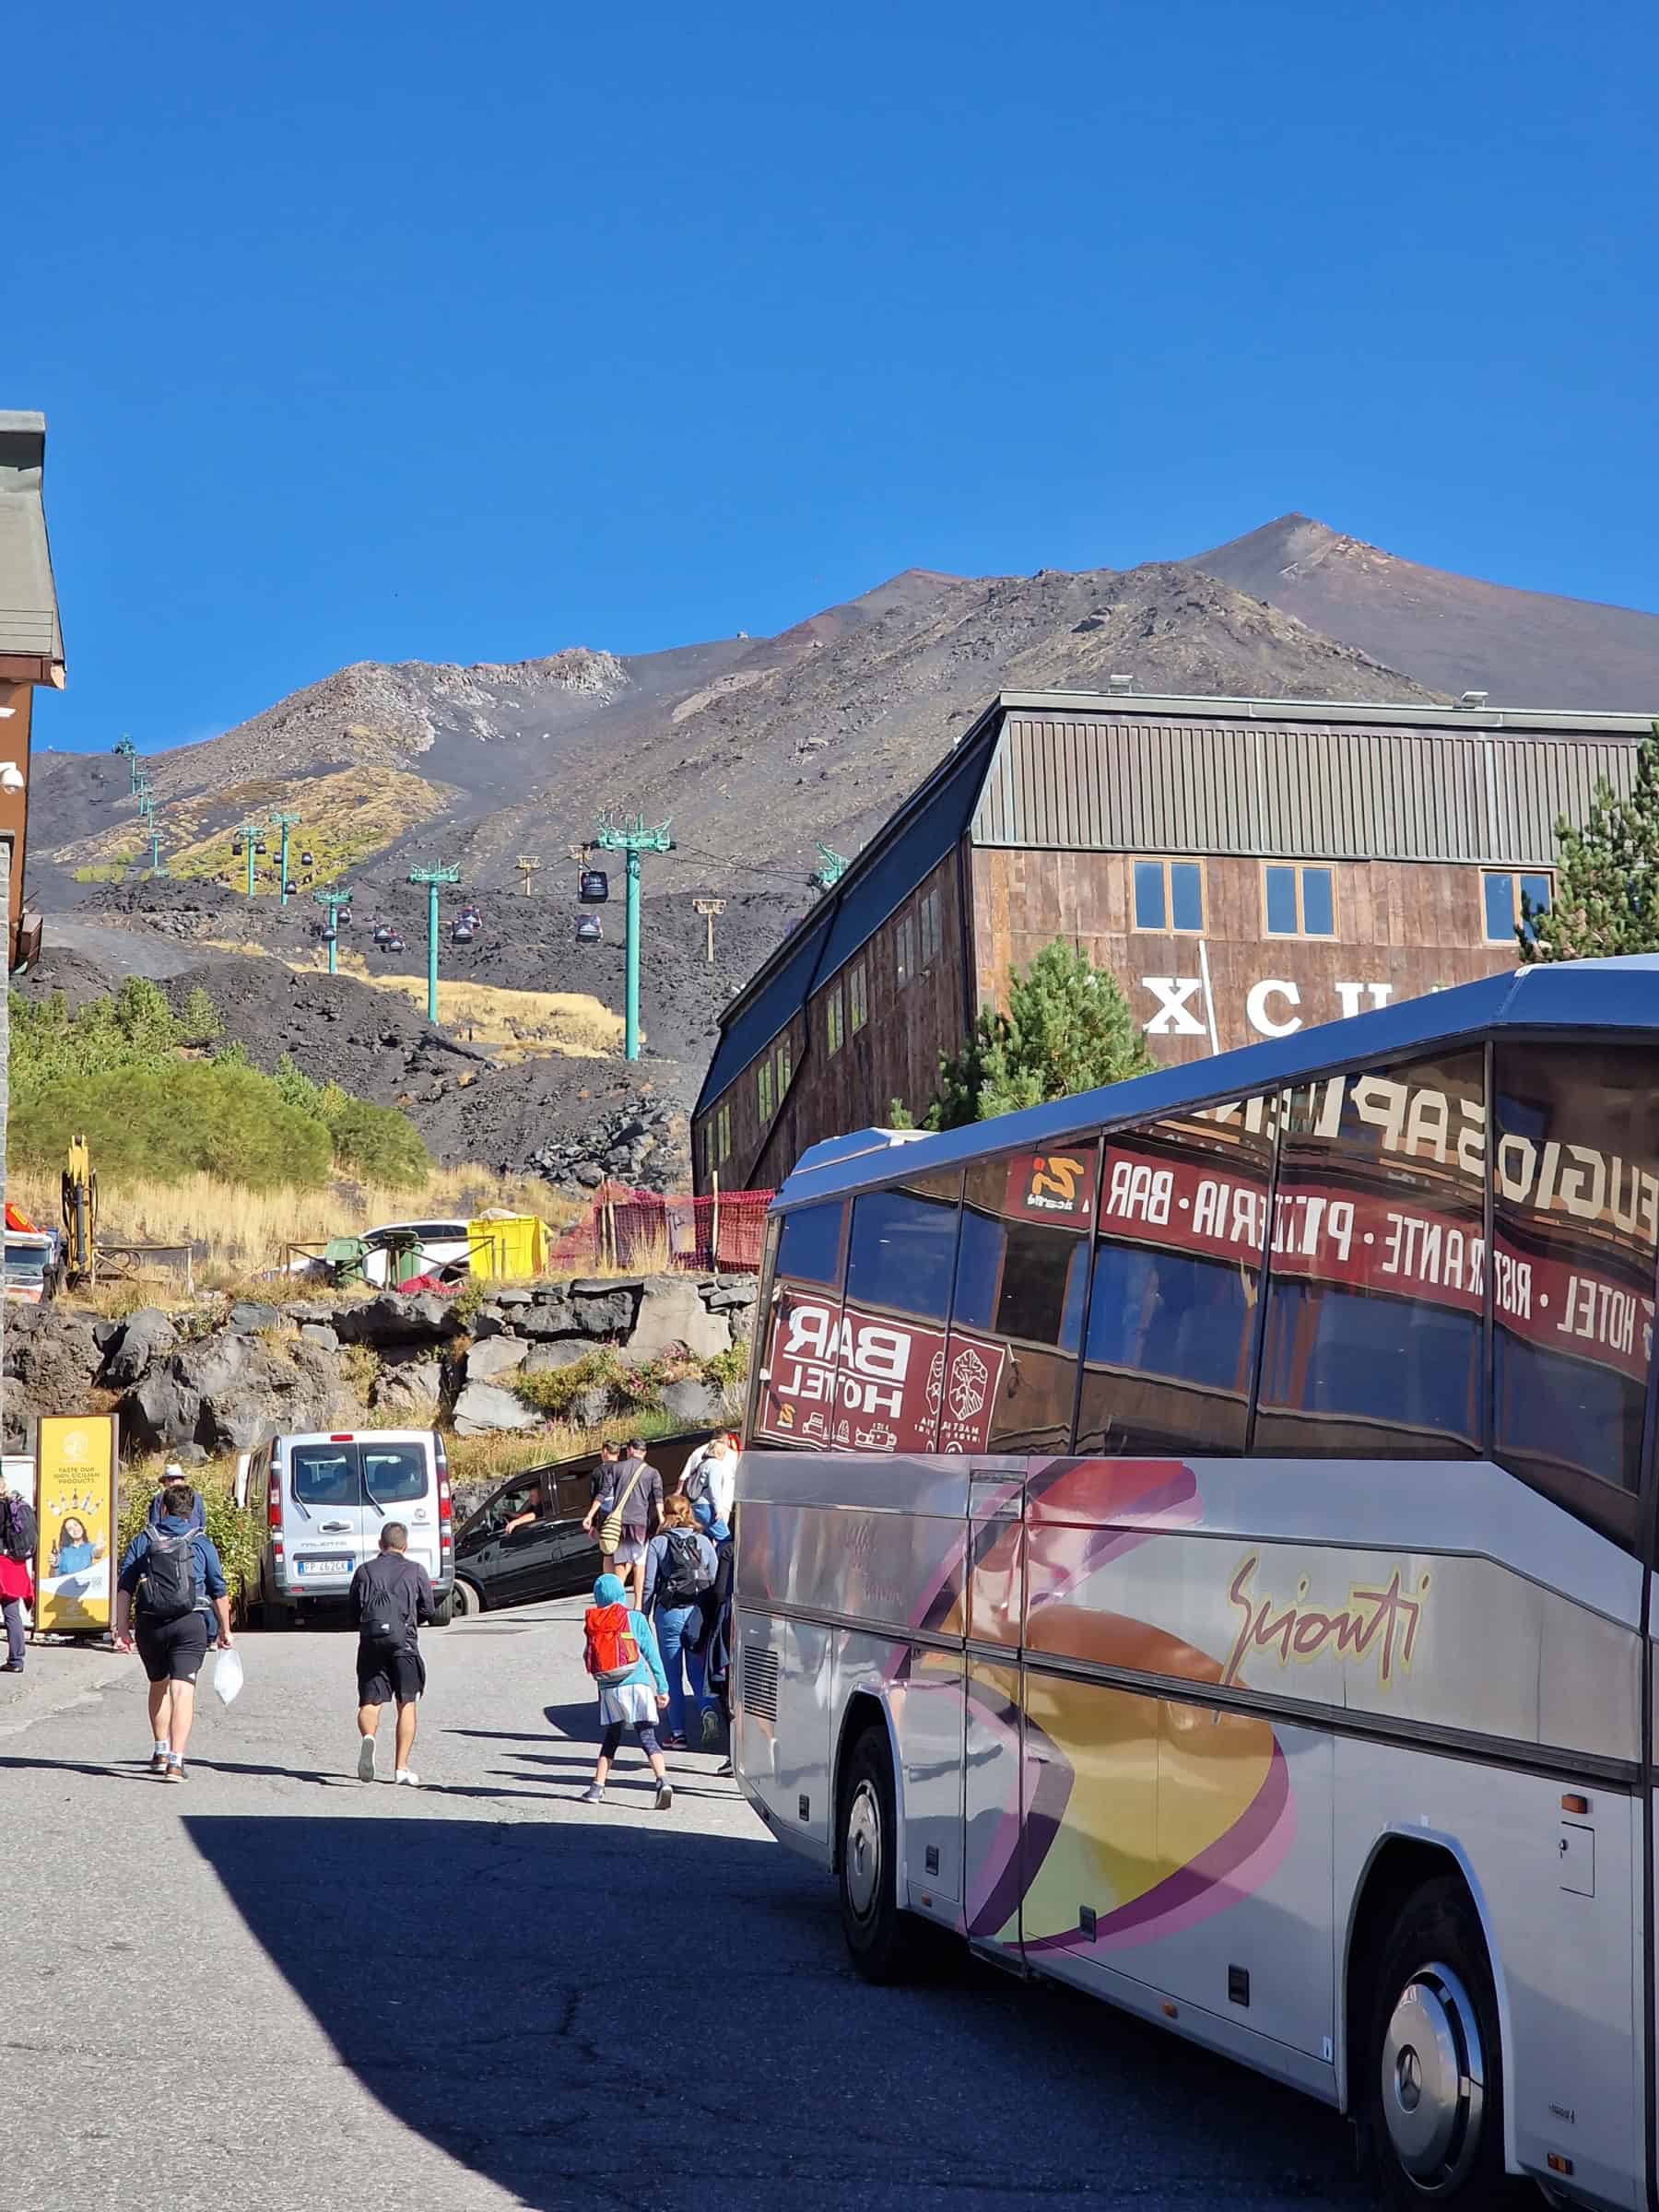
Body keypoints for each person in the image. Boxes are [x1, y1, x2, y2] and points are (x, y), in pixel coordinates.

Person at [113, 1481, 233, 1782]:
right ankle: (176, 1762)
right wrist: (225, 1630)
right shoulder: (200, 1541)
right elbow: (218, 1589)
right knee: (182, 1690)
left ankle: (160, 1749)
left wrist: (122, 1629)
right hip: (190, 1623)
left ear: (163, 1508)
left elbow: (125, 1587)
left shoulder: (144, 1539)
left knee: (158, 1684)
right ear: (191, 1511)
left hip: (150, 1624)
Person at [350, 1521, 433, 1786]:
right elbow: (429, 1609)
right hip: (404, 1644)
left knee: (370, 1702)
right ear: (404, 1546)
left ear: (379, 1544)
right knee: (406, 1703)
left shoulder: (364, 1571)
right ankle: (401, 1768)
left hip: (371, 1643)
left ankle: (368, 1738)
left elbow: (353, 1610)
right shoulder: (415, 1570)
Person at [582, 1570, 672, 1809]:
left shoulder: (595, 1623)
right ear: (621, 1593)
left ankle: (596, 1788)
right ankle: (662, 1781)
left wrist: (601, 1693)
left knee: (611, 1737)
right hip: (637, 1685)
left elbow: (591, 1658)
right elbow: (652, 1655)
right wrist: (662, 1687)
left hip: (610, 1689)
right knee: (647, 1736)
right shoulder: (635, 1618)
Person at [641, 1492, 717, 1751]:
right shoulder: (703, 1541)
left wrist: (644, 1613)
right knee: (697, 1672)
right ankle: (707, 1709)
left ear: (668, 1514)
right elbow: (714, 1577)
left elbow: (650, 1583)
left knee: (671, 1676)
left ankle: (678, 1734)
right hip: (697, 1615)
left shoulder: (659, 1543)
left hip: (669, 1614)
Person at [585, 1438, 662, 1610]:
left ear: (629, 1450)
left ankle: (618, 1606)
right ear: (644, 1452)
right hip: (640, 1524)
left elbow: (602, 1493)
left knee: (619, 1565)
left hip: (619, 1524)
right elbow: (658, 1498)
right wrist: (662, 1520)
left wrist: (590, 1516)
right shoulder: (652, 1472)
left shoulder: (616, 1468)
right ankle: (638, 1606)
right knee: (639, 1566)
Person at [0, 1476, 37, 1676]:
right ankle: (17, 1659)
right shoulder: (15, 1504)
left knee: (11, 1613)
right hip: (15, 1564)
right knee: (12, 1613)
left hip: (2, 1563)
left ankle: (15, 1659)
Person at [682, 1432, 738, 1526]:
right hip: (711, 1505)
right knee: (723, 1537)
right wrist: (718, 1509)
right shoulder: (715, 1464)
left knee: (702, 1532)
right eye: (724, 1452)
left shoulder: (702, 1461)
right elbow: (714, 1487)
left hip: (695, 1503)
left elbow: (683, 1477)